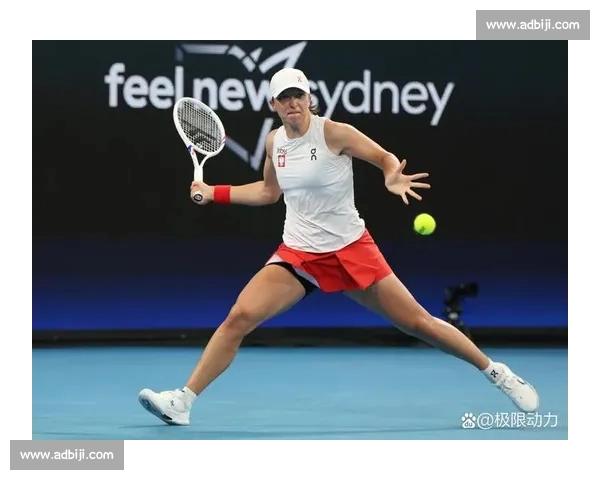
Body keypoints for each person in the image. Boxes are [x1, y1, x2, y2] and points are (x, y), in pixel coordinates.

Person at [138, 67, 539, 426]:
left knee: (419, 323)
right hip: (298, 253)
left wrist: (390, 175)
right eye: (284, 98)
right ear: (273, 104)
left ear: (309, 98)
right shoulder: (275, 142)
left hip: (349, 249)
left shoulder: (334, 133)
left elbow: (384, 157)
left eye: (298, 95)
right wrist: (214, 192)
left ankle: (497, 373)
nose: (293, 103)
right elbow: (268, 192)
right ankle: (183, 401)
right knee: (239, 316)